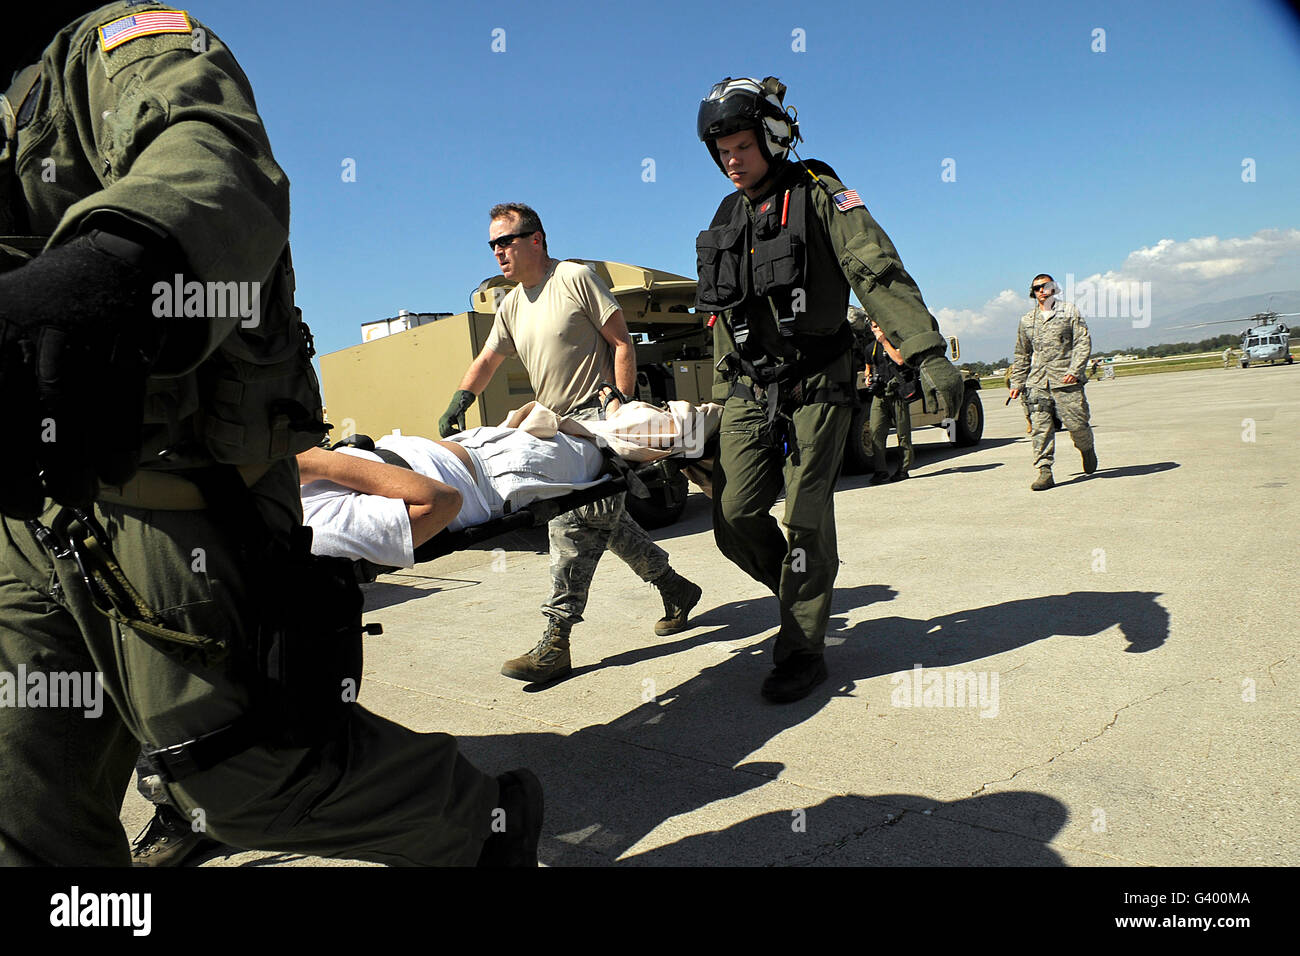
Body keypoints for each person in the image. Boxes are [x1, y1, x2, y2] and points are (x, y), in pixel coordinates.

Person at [1, 2, 540, 867]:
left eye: (509, 238)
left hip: (171, 478)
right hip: (31, 506)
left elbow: (209, 159)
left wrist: (108, 271)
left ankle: (480, 819)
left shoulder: (118, 47)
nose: (500, 249)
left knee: (239, 777)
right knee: (23, 785)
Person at [694, 76, 964, 703]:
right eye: (722, 152)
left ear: (773, 136)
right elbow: (720, 314)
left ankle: (801, 645)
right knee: (733, 517)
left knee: (805, 517)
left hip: (818, 379)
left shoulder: (818, 191)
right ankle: (802, 594)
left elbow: (874, 269)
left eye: (742, 146)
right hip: (748, 388)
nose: (732, 161)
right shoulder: (727, 215)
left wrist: (926, 352)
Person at [437, 203, 702, 686]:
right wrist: (462, 397)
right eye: (492, 244)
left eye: (506, 241)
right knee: (609, 523)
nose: (498, 252)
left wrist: (619, 407)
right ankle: (676, 588)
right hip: (554, 428)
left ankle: (556, 641)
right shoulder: (512, 303)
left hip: (595, 422)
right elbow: (490, 356)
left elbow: (622, 342)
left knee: (570, 525)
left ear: (536, 239)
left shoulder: (574, 278)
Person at [1007, 273, 1098, 490]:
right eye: (1036, 288)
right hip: (1037, 381)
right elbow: (1022, 353)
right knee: (1040, 428)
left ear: (1053, 288)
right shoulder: (1027, 321)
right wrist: (1017, 383)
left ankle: (1086, 448)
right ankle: (1044, 470)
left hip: (1066, 379)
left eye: (1045, 286)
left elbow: (1082, 342)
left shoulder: (1069, 312)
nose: (1041, 291)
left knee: (1077, 424)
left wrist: (1075, 370)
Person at [865, 318, 915, 485]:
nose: (876, 329)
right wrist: (868, 379)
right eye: (873, 327)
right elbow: (868, 369)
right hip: (880, 395)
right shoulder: (870, 349)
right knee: (875, 431)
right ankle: (881, 471)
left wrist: (885, 341)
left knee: (903, 433)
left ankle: (903, 469)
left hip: (897, 393)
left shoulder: (897, 343)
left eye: (879, 326)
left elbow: (899, 360)